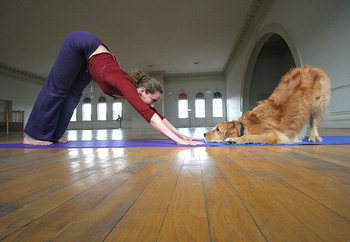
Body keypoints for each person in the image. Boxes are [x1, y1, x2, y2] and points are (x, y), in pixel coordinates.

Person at [23, 30, 204, 146]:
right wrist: (178, 141)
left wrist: (182, 135)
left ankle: (53, 135)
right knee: (58, 90)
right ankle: (32, 135)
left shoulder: (133, 90)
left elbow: (158, 116)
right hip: (80, 43)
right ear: (142, 91)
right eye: (153, 100)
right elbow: (149, 116)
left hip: (89, 62)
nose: (153, 105)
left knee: (72, 96)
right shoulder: (126, 85)